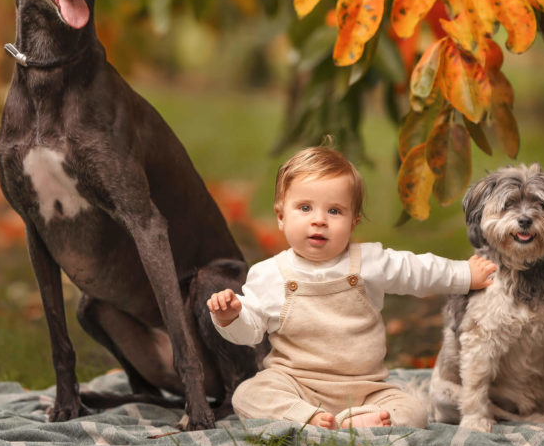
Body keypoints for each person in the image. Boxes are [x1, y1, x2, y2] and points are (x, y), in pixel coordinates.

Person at [207, 144, 496, 430]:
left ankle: (353, 421)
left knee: (414, 411)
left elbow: (416, 270)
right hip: (295, 384)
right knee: (248, 395)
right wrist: (231, 316)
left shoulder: (368, 262)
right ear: (281, 217)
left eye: (334, 211)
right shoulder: (269, 274)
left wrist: (464, 274)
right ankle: (305, 415)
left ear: (353, 222)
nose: (319, 220)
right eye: (305, 208)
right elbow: (250, 330)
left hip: (365, 390)